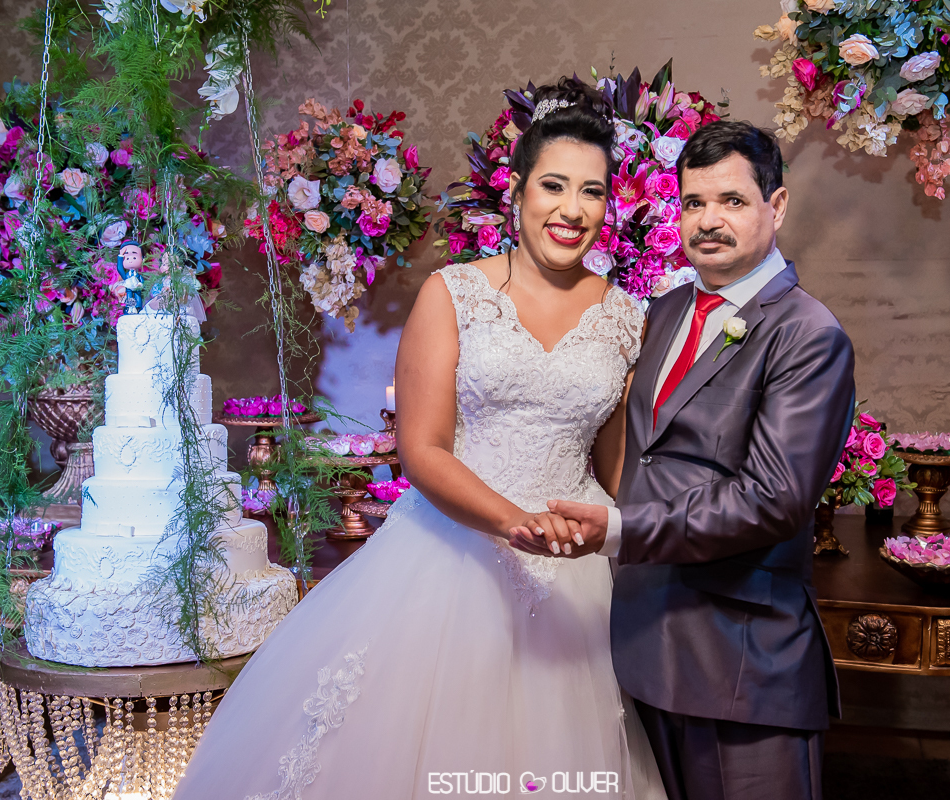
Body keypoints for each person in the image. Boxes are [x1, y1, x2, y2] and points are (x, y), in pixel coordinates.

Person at [173, 79, 666, 800]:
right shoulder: (453, 293)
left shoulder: (627, 315)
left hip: (576, 567)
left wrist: (644, 531)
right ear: (517, 192)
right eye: (554, 185)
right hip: (454, 553)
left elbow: (614, 461)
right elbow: (423, 448)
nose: (572, 209)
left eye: (592, 192)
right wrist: (514, 521)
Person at [511, 121, 856, 800]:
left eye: (732, 201)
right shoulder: (666, 311)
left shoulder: (809, 335)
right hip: (641, 642)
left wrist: (618, 530)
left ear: (777, 206)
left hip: (742, 658)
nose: (708, 220)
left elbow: (774, 499)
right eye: (694, 202)